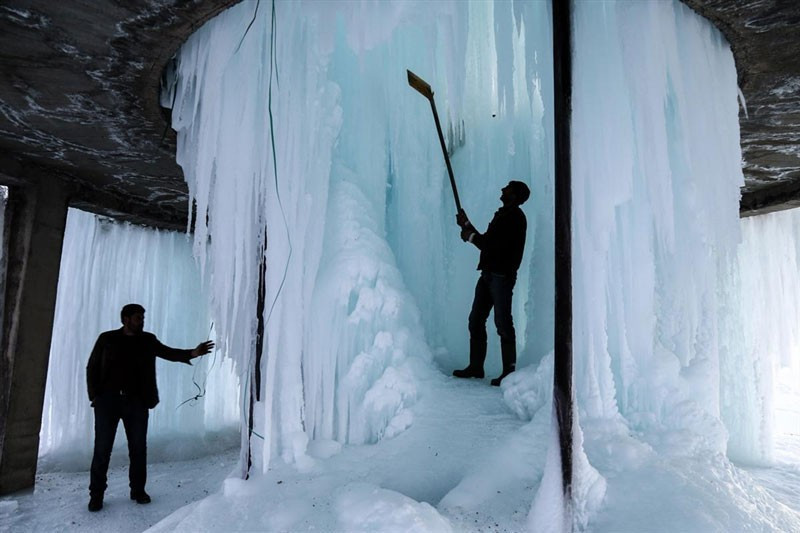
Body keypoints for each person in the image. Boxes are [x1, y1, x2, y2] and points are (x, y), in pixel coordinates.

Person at [85, 303, 214, 512]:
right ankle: (96, 495)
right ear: (125, 319)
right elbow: (92, 367)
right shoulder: (107, 339)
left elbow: (168, 353)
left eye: (143, 318)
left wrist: (193, 353)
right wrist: (95, 397)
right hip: (107, 403)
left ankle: (138, 490)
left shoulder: (147, 340)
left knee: (138, 449)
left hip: (136, 402)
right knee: (102, 449)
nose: (142, 322)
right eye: (138, 318)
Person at [453, 180, 529, 386]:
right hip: (489, 274)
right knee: (476, 319)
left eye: (507, 188)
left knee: (503, 323)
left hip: (501, 277)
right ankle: (476, 367)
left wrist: (470, 237)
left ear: (514, 195)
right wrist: (468, 226)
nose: (502, 189)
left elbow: (492, 246)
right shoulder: (504, 215)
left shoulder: (515, 218)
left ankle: (509, 373)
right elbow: (488, 241)